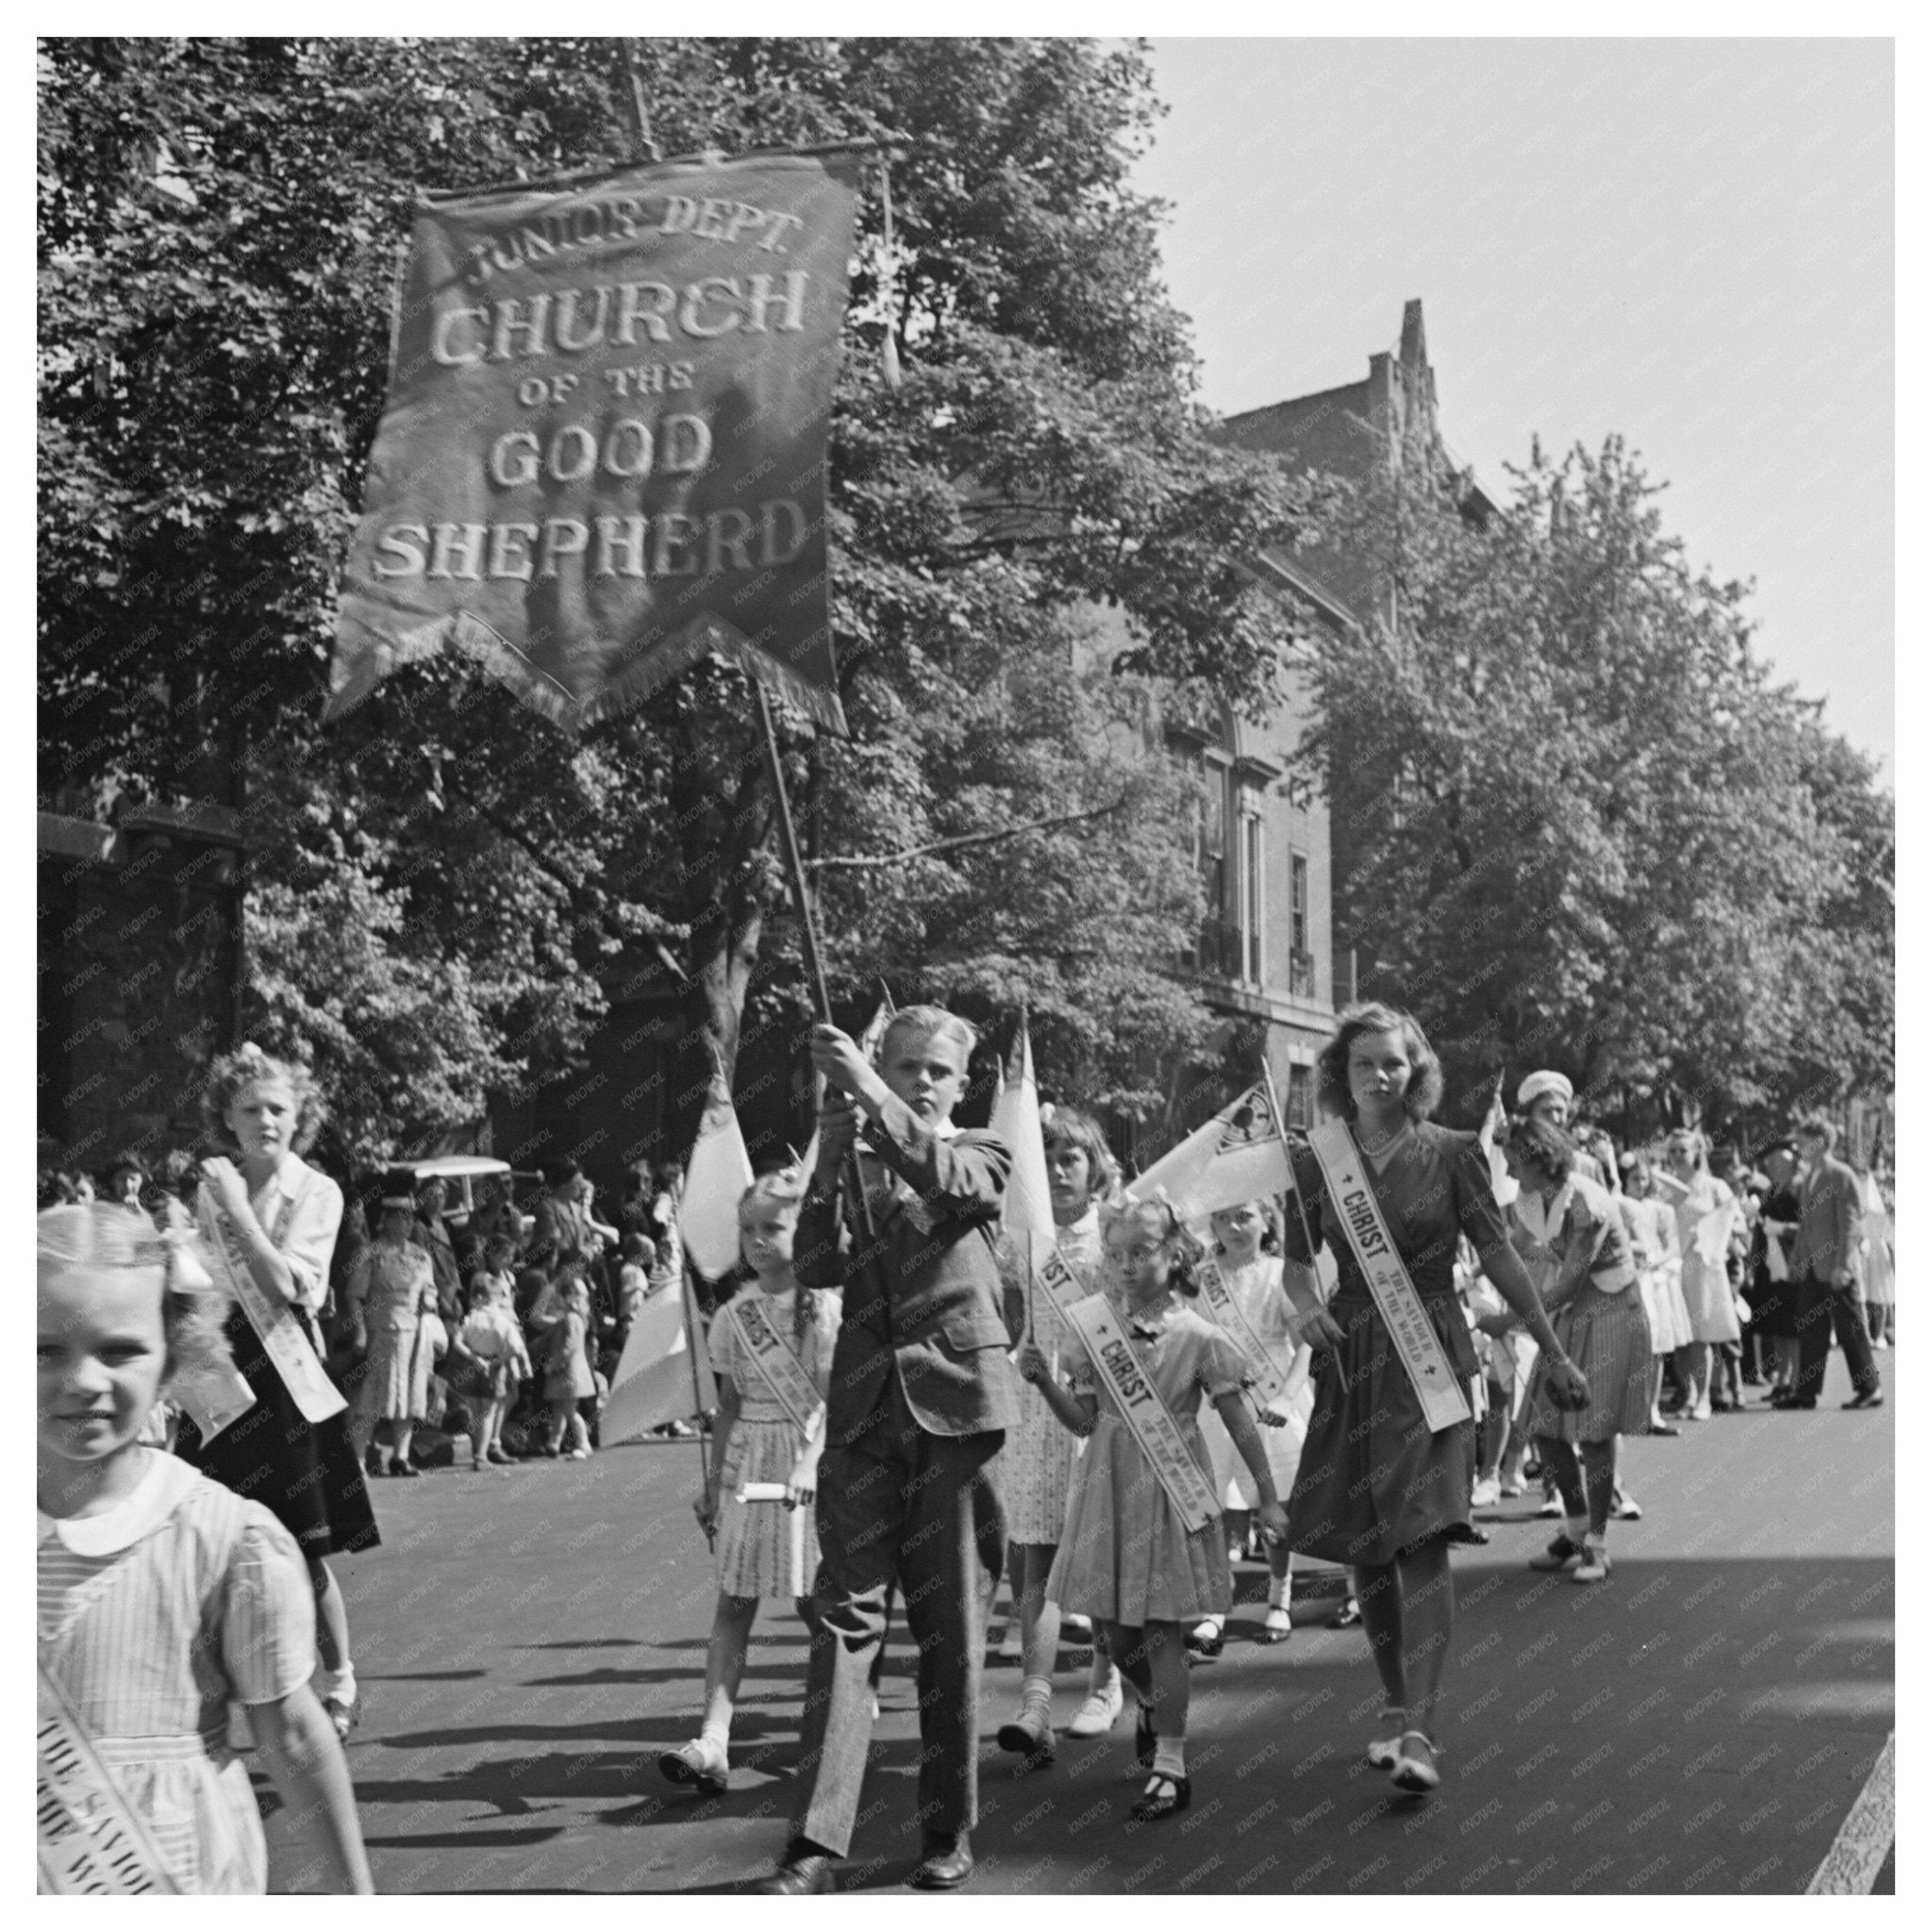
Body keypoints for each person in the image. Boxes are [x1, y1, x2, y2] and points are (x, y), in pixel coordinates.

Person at [1278, 1005, 1590, 1797]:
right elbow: (1293, 1267)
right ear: (1341, 1075)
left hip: (1430, 1363)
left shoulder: (1452, 1153)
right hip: (1353, 1361)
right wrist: (1302, 1305)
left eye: (1396, 1063)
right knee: (1370, 1547)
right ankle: (1391, 1701)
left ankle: (1421, 1722)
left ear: (1417, 1070)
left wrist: (1550, 1350)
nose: (1382, 1076)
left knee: (1422, 1539)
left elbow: (1498, 1256)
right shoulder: (1317, 1160)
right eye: (1365, 1064)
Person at [37, 1202, 374, 1893]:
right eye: (44, 1349)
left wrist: (354, 1897)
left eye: (120, 1350)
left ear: (173, 1361)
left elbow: (294, 1738)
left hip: (175, 1873)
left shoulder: (224, 1541)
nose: (82, 1380)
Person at [758, 1006, 1016, 1895]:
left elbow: (950, 1185)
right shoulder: (861, 1156)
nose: (921, 1081)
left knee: (950, 1634)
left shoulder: (983, 1150)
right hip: (866, 1415)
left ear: (962, 1080)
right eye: (904, 1066)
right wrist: (831, 1150)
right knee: (844, 1624)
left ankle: (947, 1828)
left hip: (957, 1409)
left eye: (938, 1070)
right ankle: (816, 1842)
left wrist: (866, 1091)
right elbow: (818, 1263)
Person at [1025, 1196, 1287, 1823]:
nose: (1125, 1266)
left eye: (1141, 1252)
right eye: (1115, 1254)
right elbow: (1085, 1419)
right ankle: (1146, 1700)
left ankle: (1171, 1761)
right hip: (1109, 1484)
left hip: (1173, 1487)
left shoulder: (1201, 1337)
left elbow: (1237, 1419)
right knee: (1116, 1632)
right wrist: (1044, 1382)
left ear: (1174, 1255)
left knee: (1165, 1627)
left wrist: (1269, 1495)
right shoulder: (1093, 1328)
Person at [175, 1044, 376, 1742]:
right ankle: (222, 1695)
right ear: (226, 1118)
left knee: (300, 1547)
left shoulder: (316, 1191)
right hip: (220, 1370)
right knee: (209, 1543)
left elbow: (290, 1287)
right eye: (250, 1108)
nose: (265, 1120)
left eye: (278, 1109)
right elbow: (205, 1278)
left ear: (300, 1118)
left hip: (286, 1378)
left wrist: (237, 1206)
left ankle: (340, 1677)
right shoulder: (209, 1188)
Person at [660, 1168, 841, 1796]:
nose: (759, 1241)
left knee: (818, 1603)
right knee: (734, 1601)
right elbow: (730, 1403)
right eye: (749, 1230)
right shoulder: (735, 1314)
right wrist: (715, 1481)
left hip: (810, 1457)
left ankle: (846, 1713)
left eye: (774, 1227)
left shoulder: (829, 1308)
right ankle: (714, 1738)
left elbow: (835, 1399)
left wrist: (809, 1462)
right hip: (750, 1460)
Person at [991, 1103, 1117, 1764]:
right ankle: (1036, 1705)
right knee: (1035, 1558)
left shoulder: (1111, 1240)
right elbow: (1008, 1318)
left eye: (1070, 1159)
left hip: (1103, 1414)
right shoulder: (1019, 1242)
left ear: (1094, 1167)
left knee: (1098, 1558)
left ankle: (1106, 1680)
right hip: (1036, 1414)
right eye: (1047, 1162)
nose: (1060, 1172)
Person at [1501, 1118, 1652, 1584]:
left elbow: (1567, 1284)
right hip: (1568, 1318)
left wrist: (1508, 1319)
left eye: (1513, 1165)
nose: (1509, 1175)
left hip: (1611, 1314)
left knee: (1594, 1433)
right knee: (1545, 1427)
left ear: (1539, 1160)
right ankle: (1577, 1529)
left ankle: (1599, 1546)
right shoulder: (1532, 1197)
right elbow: (1511, 1250)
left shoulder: (1587, 1201)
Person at [1194, 1195, 1311, 1647]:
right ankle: (1214, 1608)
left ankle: (1279, 1598)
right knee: (1218, 1505)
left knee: (1274, 1501)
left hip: (1271, 1392)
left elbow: (1305, 1343)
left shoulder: (1281, 1273)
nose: (1233, 1227)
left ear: (1267, 1221)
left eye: (1244, 1216)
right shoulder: (1201, 1279)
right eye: (1222, 1217)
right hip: (1216, 1397)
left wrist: (1286, 1395)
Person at [344, 1179, 439, 1479]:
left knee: (411, 1395)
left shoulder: (421, 1255)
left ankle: (400, 1456)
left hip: (415, 1331)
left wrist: (430, 1302)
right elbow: (354, 1295)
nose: (407, 1223)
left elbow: (431, 1290)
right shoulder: (370, 1254)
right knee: (371, 1396)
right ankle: (357, 1461)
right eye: (400, 1217)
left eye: (410, 1217)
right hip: (381, 1330)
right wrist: (359, 1331)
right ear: (386, 1220)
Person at [1788, 1118, 1884, 1410]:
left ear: (1820, 1142)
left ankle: (1870, 1389)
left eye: (1803, 1141)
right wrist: (1798, 1259)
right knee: (1811, 1330)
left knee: (1851, 1330)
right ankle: (1806, 1392)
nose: (1799, 1147)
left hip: (1838, 1269)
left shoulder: (1840, 1175)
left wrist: (1844, 1265)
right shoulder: (1809, 1177)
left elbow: (1850, 1224)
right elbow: (1806, 1226)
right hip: (1814, 1269)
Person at [1654, 1130, 1742, 1421]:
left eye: (1683, 1150)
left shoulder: (1714, 1186)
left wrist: (1709, 1232)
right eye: (1674, 1151)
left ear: (1697, 1153)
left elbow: (1737, 1222)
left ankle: (1705, 1396)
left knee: (1700, 1335)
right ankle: (1687, 1393)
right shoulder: (1663, 1187)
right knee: (1680, 1337)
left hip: (1703, 1266)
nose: (1678, 1156)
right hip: (1673, 1266)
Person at [1620, 1155, 1693, 1433]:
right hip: (1632, 1280)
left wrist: (1651, 1168)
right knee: (1633, 1349)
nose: (1641, 1184)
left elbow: (1672, 1245)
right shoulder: (1617, 1202)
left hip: (1655, 1279)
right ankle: (1632, 1412)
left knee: (1657, 1350)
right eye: (1635, 1178)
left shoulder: (1658, 1207)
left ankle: (1652, 1411)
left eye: (1644, 1179)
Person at [448, 1275, 532, 1468]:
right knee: (488, 1414)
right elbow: (515, 1348)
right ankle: (481, 1456)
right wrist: (497, 1361)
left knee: (474, 1412)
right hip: (493, 1369)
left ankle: (478, 1449)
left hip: (471, 1366)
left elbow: (457, 1343)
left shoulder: (470, 1318)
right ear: (492, 1298)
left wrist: (473, 1357)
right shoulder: (500, 1320)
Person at [540, 1267, 599, 1457]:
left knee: (569, 1410)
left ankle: (583, 1443)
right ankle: (554, 1442)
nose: (555, 1301)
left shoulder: (571, 1319)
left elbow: (568, 1348)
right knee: (559, 1409)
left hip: (568, 1372)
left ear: (567, 1298)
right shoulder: (572, 1318)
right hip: (566, 1372)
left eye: (559, 1297)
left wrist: (552, 1365)